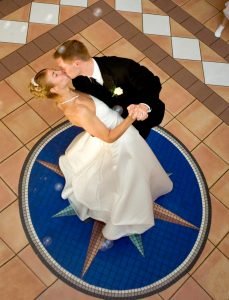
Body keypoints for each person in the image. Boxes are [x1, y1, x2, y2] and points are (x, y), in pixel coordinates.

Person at [29, 69, 173, 241]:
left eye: (55, 70)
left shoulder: (67, 94)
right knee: (129, 178)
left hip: (114, 128)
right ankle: (125, 216)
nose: (60, 71)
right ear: (53, 89)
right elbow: (109, 137)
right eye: (55, 75)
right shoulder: (77, 109)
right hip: (118, 139)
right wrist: (131, 117)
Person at [53, 40, 165, 139]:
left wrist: (143, 106)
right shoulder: (78, 80)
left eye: (62, 68)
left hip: (140, 121)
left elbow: (152, 83)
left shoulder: (121, 68)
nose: (61, 71)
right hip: (112, 124)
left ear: (77, 63)